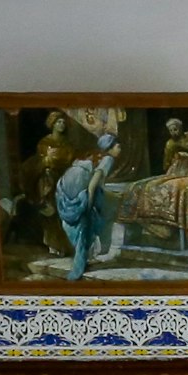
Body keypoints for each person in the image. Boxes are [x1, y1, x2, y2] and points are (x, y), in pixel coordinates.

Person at [51, 107, 121, 276]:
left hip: (64, 187)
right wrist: (88, 206)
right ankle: (93, 253)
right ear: (110, 148)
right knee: (94, 215)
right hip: (77, 188)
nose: (120, 148)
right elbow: (92, 185)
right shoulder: (108, 159)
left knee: (95, 212)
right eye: (117, 145)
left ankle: (89, 254)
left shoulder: (94, 156)